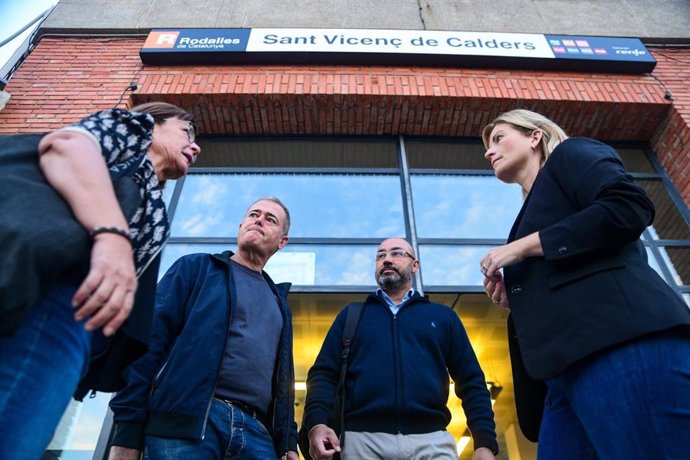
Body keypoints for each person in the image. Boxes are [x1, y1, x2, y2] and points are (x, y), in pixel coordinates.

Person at [480, 109, 690, 459]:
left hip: (622, 344)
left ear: (534, 136)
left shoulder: (571, 154)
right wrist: (518, 297)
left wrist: (522, 247)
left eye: (498, 137)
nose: (489, 151)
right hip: (563, 378)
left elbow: (627, 207)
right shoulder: (530, 214)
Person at [0, 102, 201, 459]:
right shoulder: (135, 126)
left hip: (75, 331)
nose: (195, 146)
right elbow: (66, 146)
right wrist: (112, 236)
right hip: (45, 291)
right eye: (186, 132)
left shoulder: (155, 201)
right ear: (155, 125)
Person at [108, 197, 299, 460]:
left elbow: (284, 381)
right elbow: (147, 347)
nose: (259, 220)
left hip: (257, 436)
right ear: (241, 225)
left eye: (270, 219)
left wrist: (287, 441)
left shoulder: (280, 304)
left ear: (282, 241)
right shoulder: (196, 269)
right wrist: (127, 431)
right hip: (185, 424)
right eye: (254, 214)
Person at [303, 237, 498, 460]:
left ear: (415, 265)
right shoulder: (352, 316)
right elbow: (323, 375)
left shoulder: (443, 318)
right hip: (362, 443)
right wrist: (316, 424)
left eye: (396, 253)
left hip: (432, 442)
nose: (387, 259)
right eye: (380, 256)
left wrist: (484, 443)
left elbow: (472, 382)